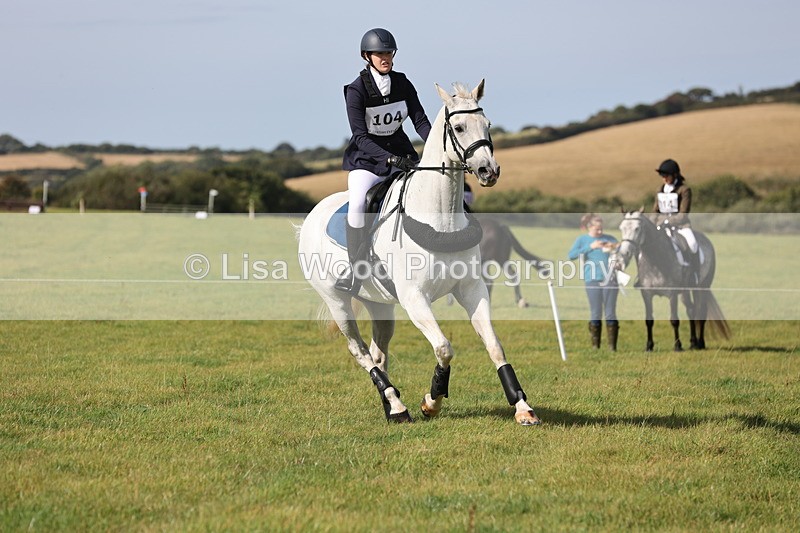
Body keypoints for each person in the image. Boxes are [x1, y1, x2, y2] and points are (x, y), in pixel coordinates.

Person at [335, 28, 432, 293]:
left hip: (402, 154)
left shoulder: (402, 83)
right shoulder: (356, 91)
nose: (385, 57)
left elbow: (420, 121)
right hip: (367, 159)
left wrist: (435, 145)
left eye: (389, 52)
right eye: (379, 53)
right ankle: (356, 269)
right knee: (358, 202)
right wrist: (389, 159)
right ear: (366, 56)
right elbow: (360, 136)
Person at [568, 214, 620, 350]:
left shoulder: (610, 238)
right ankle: (595, 346)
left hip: (611, 279)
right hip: (592, 278)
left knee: (610, 312)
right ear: (589, 227)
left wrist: (614, 248)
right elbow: (571, 255)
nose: (600, 232)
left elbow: (621, 252)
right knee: (595, 312)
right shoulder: (582, 240)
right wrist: (591, 246)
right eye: (597, 229)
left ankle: (612, 347)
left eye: (602, 229)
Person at [652, 158, 698, 280]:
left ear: (675, 175)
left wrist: (667, 221)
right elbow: (655, 211)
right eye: (662, 176)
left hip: (680, 226)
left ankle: (694, 274)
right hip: (661, 226)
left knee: (693, 244)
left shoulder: (684, 190)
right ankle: (643, 276)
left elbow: (683, 214)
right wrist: (652, 223)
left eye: (666, 175)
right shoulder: (659, 190)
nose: (664, 178)